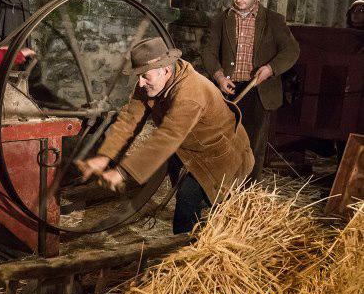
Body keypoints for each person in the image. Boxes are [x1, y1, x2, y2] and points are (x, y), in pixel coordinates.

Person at [76, 38, 254, 234]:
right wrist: (105, 156)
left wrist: (121, 173)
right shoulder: (152, 80)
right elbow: (129, 119)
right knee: (187, 193)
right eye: (139, 77)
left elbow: (167, 137)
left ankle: (186, 250)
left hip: (218, 154)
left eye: (145, 76)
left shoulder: (190, 93)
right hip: (188, 147)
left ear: (166, 71)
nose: (140, 83)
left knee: (188, 198)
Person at [201, 0, 299, 181]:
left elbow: (292, 50)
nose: (238, 0)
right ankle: (222, 188)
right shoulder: (221, 20)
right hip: (229, 89)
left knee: (253, 146)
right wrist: (219, 77)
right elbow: (208, 52)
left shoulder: (273, 20)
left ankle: (247, 193)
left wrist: (271, 69)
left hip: (258, 91)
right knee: (224, 141)